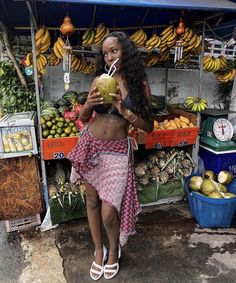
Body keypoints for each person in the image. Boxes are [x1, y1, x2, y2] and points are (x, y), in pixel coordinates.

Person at [68, 31, 153, 280]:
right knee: (92, 203)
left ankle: (114, 250)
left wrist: (123, 110)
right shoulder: (99, 80)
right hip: (92, 146)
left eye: (113, 51)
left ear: (125, 51)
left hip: (116, 153)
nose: (109, 57)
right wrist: (87, 106)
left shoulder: (139, 85)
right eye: (105, 53)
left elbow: (149, 126)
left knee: (108, 210)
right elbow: (83, 119)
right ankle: (98, 250)